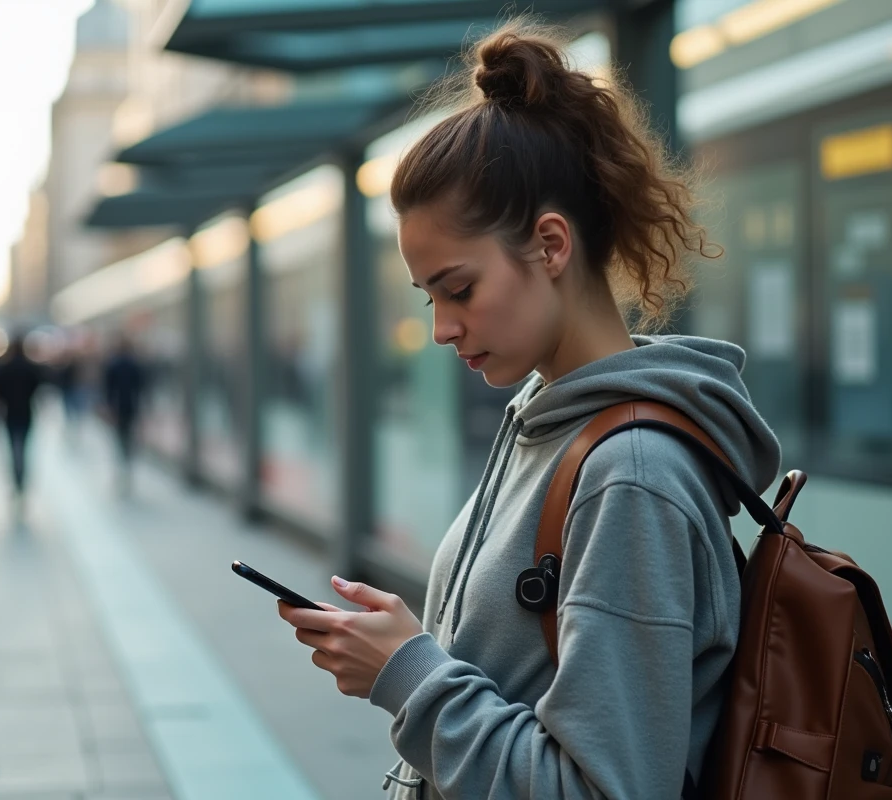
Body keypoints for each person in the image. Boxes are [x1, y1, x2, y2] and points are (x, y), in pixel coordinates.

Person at [275, 23, 783, 800]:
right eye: (429, 297)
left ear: (549, 245)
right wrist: (414, 648)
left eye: (459, 288)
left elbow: (604, 789)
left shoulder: (630, 476)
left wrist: (409, 673)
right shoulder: (547, 422)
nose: (442, 327)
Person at [0, 336, 43, 499]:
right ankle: (21, 476)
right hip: (26, 412)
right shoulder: (30, 367)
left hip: (9, 413)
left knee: (13, 447)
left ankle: (16, 476)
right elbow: (37, 386)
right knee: (24, 447)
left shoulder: (4, 367)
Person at [102, 335, 145, 493]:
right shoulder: (134, 365)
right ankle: (127, 463)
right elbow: (140, 388)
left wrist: (108, 407)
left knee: (119, 437)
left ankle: (122, 463)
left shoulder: (113, 365)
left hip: (118, 406)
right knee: (127, 436)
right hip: (130, 406)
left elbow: (108, 389)